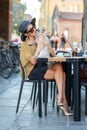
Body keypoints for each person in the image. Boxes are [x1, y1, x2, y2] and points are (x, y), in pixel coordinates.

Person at [19, 18, 73, 116]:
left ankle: (60, 98)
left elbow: (53, 55)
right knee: (62, 74)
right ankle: (62, 101)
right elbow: (33, 62)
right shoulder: (24, 45)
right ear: (26, 34)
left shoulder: (39, 39)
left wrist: (47, 45)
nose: (34, 30)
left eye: (34, 28)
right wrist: (39, 47)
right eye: (31, 30)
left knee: (59, 67)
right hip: (32, 71)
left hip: (43, 67)